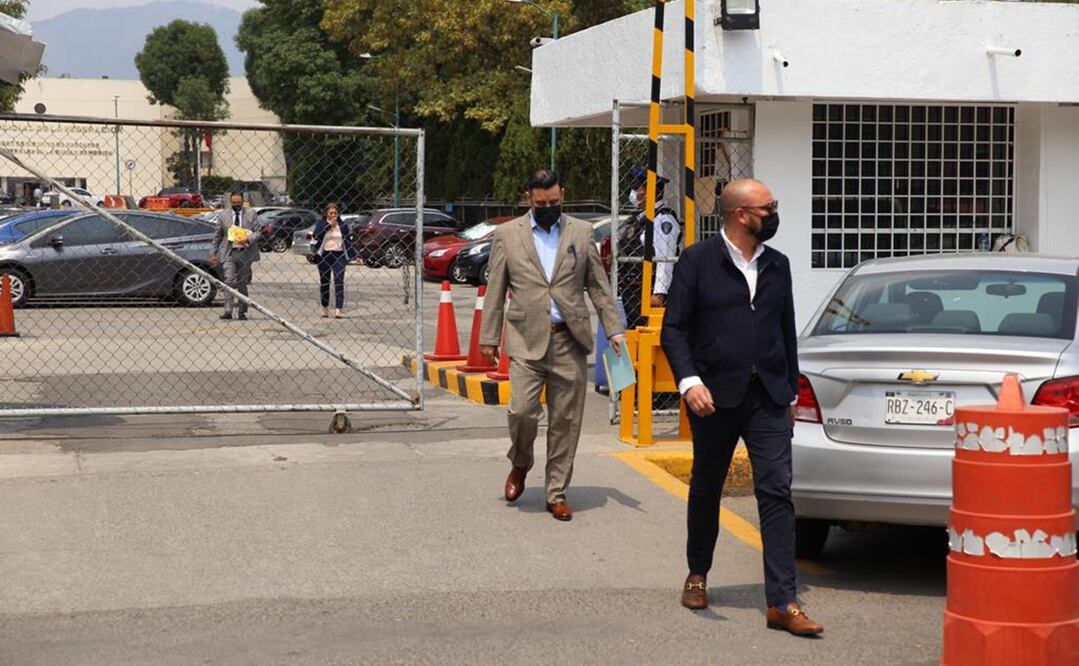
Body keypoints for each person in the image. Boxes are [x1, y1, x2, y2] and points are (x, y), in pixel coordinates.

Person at [660, 178, 823, 636]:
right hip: (713, 396)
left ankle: (783, 602)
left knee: (776, 491)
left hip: (768, 396)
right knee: (707, 485)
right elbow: (674, 329)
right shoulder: (697, 261)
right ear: (740, 215)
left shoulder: (778, 265)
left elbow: (784, 330)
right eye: (767, 207)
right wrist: (689, 381)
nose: (773, 214)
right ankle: (698, 572)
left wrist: (790, 391)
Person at [479, 170, 625, 522]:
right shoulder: (507, 235)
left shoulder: (580, 232)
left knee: (566, 421)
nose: (548, 208)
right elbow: (496, 288)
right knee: (522, 412)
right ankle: (521, 462)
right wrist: (488, 337)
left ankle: (556, 492)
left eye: (555, 202)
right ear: (527, 197)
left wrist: (615, 331)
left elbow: (598, 287)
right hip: (525, 338)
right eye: (541, 203)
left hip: (568, 340)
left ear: (563, 195)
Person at [617, 167, 680, 329]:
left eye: (637, 188)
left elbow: (665, 259)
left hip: (649, 291)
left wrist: (659, 293)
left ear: (650, 191)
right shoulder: (640, 218)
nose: (634, 193)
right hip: (633, 290)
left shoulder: (663, 219)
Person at [210, 191, 261, 321]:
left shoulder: (251, 214)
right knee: (229, 281)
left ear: (243, 202)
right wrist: (213, 254)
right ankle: (228, 310)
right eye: (234, 203)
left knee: (242, 283)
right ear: (230, 202)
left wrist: (248, 239)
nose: (236, 205)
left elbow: (258, 232)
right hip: (229, 253)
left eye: (239, 203)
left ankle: (242, 311)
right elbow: (217, 236)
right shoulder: (223, 215)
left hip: (245, 253)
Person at [311, 203, 356, 318]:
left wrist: (354, 255)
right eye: (331, 213)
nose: (333, 215)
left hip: (338, 255)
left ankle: (338, 309)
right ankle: (325, 308)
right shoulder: (321, 223)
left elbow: (348, 241)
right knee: (325, 282)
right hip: (324, 255)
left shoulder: (343, 226)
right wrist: (328, 225)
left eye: (335, 213)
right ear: (326, 214)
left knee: (339, 280)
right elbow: (316, 236)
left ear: (338, 214)